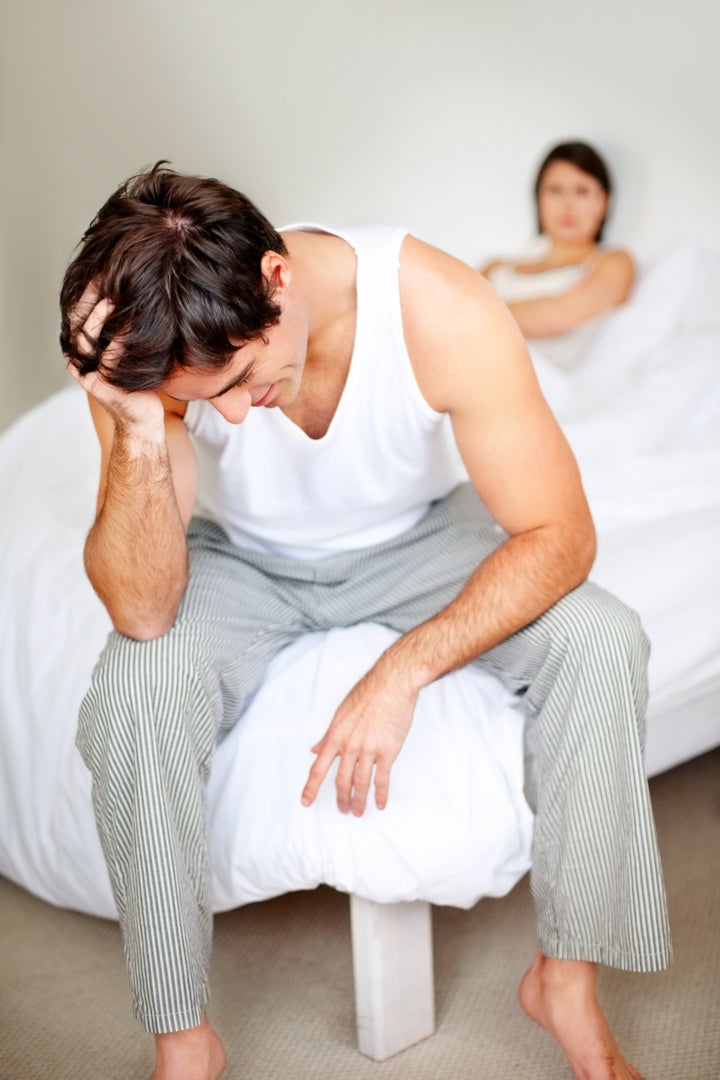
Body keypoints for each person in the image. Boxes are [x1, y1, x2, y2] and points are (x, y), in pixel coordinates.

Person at [60, 162, 670, 1080]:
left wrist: (403, 670)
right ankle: (185, 1043)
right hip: (242, 560)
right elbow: (142, 609)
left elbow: (561, 535)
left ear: (277, 278)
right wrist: (141, 426)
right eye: (202, 398)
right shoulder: (156, 350)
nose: (228, 413)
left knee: (600, 637)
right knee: (133, 690)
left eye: (240, 376)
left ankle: (565, 982)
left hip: (415, 540)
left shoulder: (437, 304)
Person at [481, 140, 634, 370]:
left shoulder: (613, 262)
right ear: (538, 198)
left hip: (536, 384)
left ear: (603, 202)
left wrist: (475, 314)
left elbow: (557, 316)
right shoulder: (496, 266)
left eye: (582, 192)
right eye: (555, 191)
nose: (567, 205)